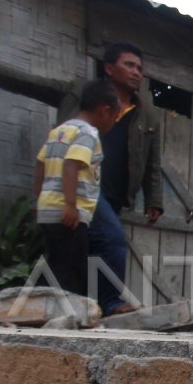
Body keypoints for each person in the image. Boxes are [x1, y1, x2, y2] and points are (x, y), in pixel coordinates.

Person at [0, 42, 163, 315]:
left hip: (104, 195)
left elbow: (153, 162)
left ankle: (56, 306)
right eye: (129, 65)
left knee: (75, 256)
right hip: (77, 193)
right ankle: (108, 302)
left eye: (140, 68)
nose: (136, 72)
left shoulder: (147, 116)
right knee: (111, 240)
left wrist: (154, 199)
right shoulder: (80, 96)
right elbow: (27, 83)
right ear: (109, 68)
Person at [32, 79, 120, 297]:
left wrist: (39, 198)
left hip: (49, 209)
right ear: (104, 110)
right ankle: (65, 312)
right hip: (69, 214)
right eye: (114, 118)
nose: (113, 124)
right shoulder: (87, 134)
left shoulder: (59, 131)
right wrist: (70, 205)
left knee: (57, 261)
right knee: (71, 269)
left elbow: (40, 164)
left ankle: (39, 303)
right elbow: (71, 164)